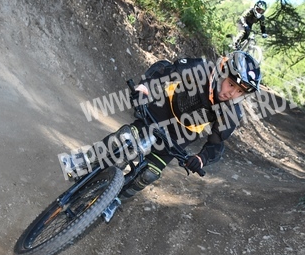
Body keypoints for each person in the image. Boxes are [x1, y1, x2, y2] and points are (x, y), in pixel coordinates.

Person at [69, 51, 262, 201]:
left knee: (149, 174)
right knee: (125, 139)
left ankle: (114, 201)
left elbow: (216, 144)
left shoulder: (231, 112)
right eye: (231, 84)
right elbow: (164, 70)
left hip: (179, 137)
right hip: (160, 111)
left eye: (239, 91)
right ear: (222, 71)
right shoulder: (201, 69)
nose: (231, 93)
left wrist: (201, 159)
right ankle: (83, 161)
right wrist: (144, 88)